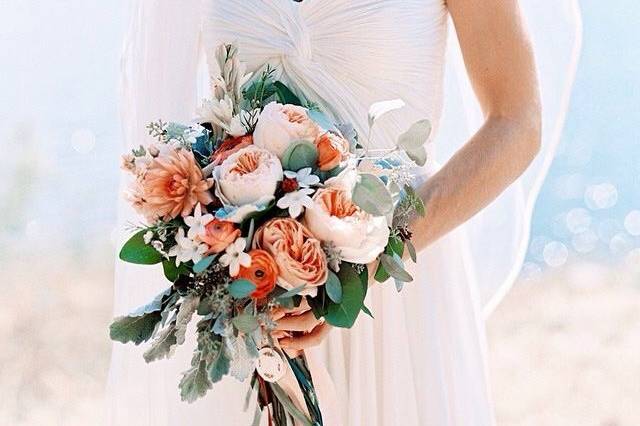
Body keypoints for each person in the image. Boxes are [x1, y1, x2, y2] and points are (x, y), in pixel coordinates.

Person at [109, 1, 581, 424]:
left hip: (399, 282)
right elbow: (167, 123)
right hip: (247, 289)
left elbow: (517, 121)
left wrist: (375, 252)